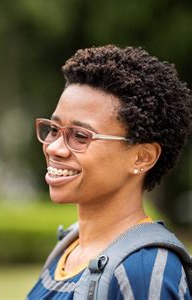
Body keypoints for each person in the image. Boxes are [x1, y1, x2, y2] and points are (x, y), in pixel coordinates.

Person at [27, 45, 191, 299]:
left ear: (142, 156)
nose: (55, 148)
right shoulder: (69, 247)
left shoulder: (143, 271)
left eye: (80, 136)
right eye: (54, 129)